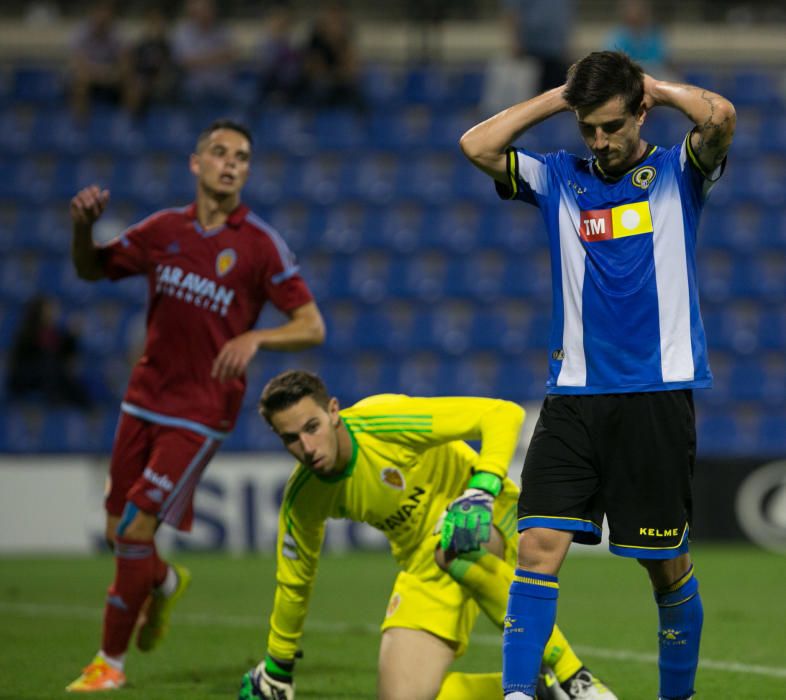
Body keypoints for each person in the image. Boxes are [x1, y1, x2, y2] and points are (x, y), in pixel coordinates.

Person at [459, 51, 735, 700]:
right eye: (589, 128)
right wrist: (561, 97)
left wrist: (657, 88)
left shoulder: (677, 171)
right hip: (574, 397)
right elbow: (477, 145)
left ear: (639, 111)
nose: (601, 141)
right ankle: (519, 694)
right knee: (536, 550)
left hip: (655, 396)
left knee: (666, 569)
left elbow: (720, 118)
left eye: (612, 126)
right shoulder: (559, 177)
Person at [65, 119, 326, 692]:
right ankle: (159, 585)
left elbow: (312, 325)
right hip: (143, 399)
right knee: (119, 533)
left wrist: (257, 338)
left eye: (242, 157)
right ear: (196, 163)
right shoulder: (163, 230)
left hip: (201, 410)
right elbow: (93, 268)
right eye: (220, 152)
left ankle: (109, 663)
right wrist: (82, 232)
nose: (231, 162)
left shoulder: (260, 244)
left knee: (134, 533)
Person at [238, 370, 616, 700]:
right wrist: (278, 665)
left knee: (454, 544)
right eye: (291, 439)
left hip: (487, 518)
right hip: (424, 561)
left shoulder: (381, 422)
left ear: (333, 411)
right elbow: (294, 582)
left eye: (312, 427)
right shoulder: (304, 497)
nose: (306, 447)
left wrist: (481, 489)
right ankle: (542, 691)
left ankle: (574, 678)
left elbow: (502, 413)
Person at [5, 295, 91, 408]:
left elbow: (65, 355)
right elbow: (25, 359)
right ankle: (54, 401)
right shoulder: (27, 332)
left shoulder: (55, 332)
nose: (54, 312)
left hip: (49, 377)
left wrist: (72, 337)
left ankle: (86, 406)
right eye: (49, 309)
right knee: (48, 364)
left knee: (64, 374)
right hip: (25, 377)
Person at [69, 0, 130, 121]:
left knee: (132, 84)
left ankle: (125, 127)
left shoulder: (118, 33)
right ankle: (80, 128)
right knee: (81, 81)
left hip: (112, 77)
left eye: (107, 12)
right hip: (90, 77)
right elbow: (78, 64)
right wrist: (100, 73)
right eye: (100, 12)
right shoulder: (80, 32)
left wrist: (112, 74)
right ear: (93, 13)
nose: (103, 16)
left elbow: (125, 64)